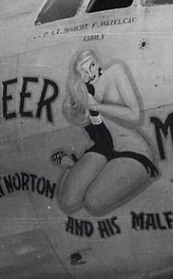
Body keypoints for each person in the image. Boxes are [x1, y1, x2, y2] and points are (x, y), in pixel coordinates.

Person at [52, 49, 158, 217]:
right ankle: (73, 165)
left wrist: (97, 107)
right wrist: (81, 107)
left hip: (131, 149)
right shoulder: (79, 94)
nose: (91, 73)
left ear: (97, 61)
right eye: (84, 72)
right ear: (79, 76)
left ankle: (87, 169)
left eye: (92, 65)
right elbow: (93, 130)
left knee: (94, 202)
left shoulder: (115, 71)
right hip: (103, 147)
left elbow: (134, 115)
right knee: (67, 201)